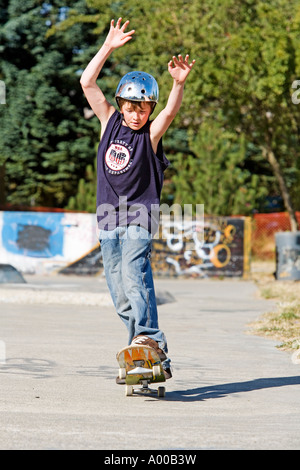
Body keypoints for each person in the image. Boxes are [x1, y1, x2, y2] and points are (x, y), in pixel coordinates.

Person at [80, 18, 195, 382]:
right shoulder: (109, 120)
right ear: (121, 104)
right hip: (107, 218)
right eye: (130, 107)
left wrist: (178, 84)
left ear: (149, 110)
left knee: (133, 272)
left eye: (142, 108)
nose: (135, 114)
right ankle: (144, 351)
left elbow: (170, 113)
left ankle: (150, 338)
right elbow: (87, 83)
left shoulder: (150, 134)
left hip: (139, 216)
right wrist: (108, 47)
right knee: (119, 290)